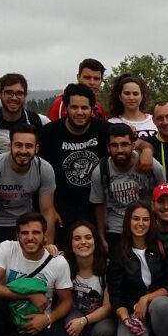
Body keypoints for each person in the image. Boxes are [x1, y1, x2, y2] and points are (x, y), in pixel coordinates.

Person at [0, 213, 74, 336]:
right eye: (24, 233)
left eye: (36, 232)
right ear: (17, 235)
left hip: (37, 322)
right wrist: (29, 295)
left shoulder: (58, 262)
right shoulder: (7, 248)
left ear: (44, 236)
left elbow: (67, 302)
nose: (30, 237)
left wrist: (48, 319)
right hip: (8, 318)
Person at [39, 84, 112, 250]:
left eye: (84, 107)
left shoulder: (104, 130)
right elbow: (39, 175)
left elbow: (131, 142)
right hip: (61, 209)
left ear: (92, 109)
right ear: (66, 108)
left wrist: (146, 150)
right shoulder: (49, 133)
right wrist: (50, 211)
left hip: (96, 207)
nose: (79, 112)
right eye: (74, 107)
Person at [105, 203, 168, 336]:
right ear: (128, 222)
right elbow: (115, 295)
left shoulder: (163, 248)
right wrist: (126, 320)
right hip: (132, 313)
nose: (141, 223)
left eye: (146, 219)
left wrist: (146, 299)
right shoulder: (118, 253)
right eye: (136, 219)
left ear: (151, 222)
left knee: (163, 304)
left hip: (158, 309)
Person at [0, 125, 57, 253]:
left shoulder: (44, 169)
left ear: (36, 149)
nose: (23, 151)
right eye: (18, 145)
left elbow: (47, 211)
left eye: (28, 146)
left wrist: (48, 246)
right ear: (9, 146)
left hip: (27, 223)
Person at [91, 124, 167, 252]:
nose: (120, 150)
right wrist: (102, 238)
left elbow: (162, 196)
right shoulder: (100, 171)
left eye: (124, 144)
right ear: (108, 148)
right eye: (115, 145)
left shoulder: (152, 167)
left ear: (133, 145)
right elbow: (99, 204)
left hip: (146, 226)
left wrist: (160, 230)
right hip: (116, 229)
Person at [61, 221, 116, 336]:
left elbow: (108, 307)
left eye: (88, 237)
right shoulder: (62, 263)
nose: (83, 242)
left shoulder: (108, 266)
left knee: (102, 332)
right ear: (70, 242)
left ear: (95, 240)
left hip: (100, 315)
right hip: (75, 312)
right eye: (77, 238)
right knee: (70, 323)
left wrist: (84, 321)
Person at [0, 73, 46, 157]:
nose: (14, 98)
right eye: (9, 92)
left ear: (25, 95)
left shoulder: (39, 121)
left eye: (19, 93)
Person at [106, 73, 157, 142]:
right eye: (127, 93)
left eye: (135, 94)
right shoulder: (111, 124)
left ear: (141, 96)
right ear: (120, 97)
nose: (131, 97)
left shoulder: (155, 121)